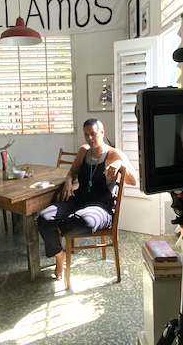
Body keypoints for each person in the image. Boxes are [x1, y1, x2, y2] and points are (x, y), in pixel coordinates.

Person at [37, 118, 138, 280]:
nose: (90, 138)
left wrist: (121, 164)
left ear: (102, 133)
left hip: (101, 206)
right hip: (79, 201)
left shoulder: (114, 154)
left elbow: (134, 181)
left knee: (85, 222)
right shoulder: (84, 151)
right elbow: (72, 172)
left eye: (93, 134)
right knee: (44, 218)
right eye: (86, 135)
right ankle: (59, 255)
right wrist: (69, 181)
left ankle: (61, 227)